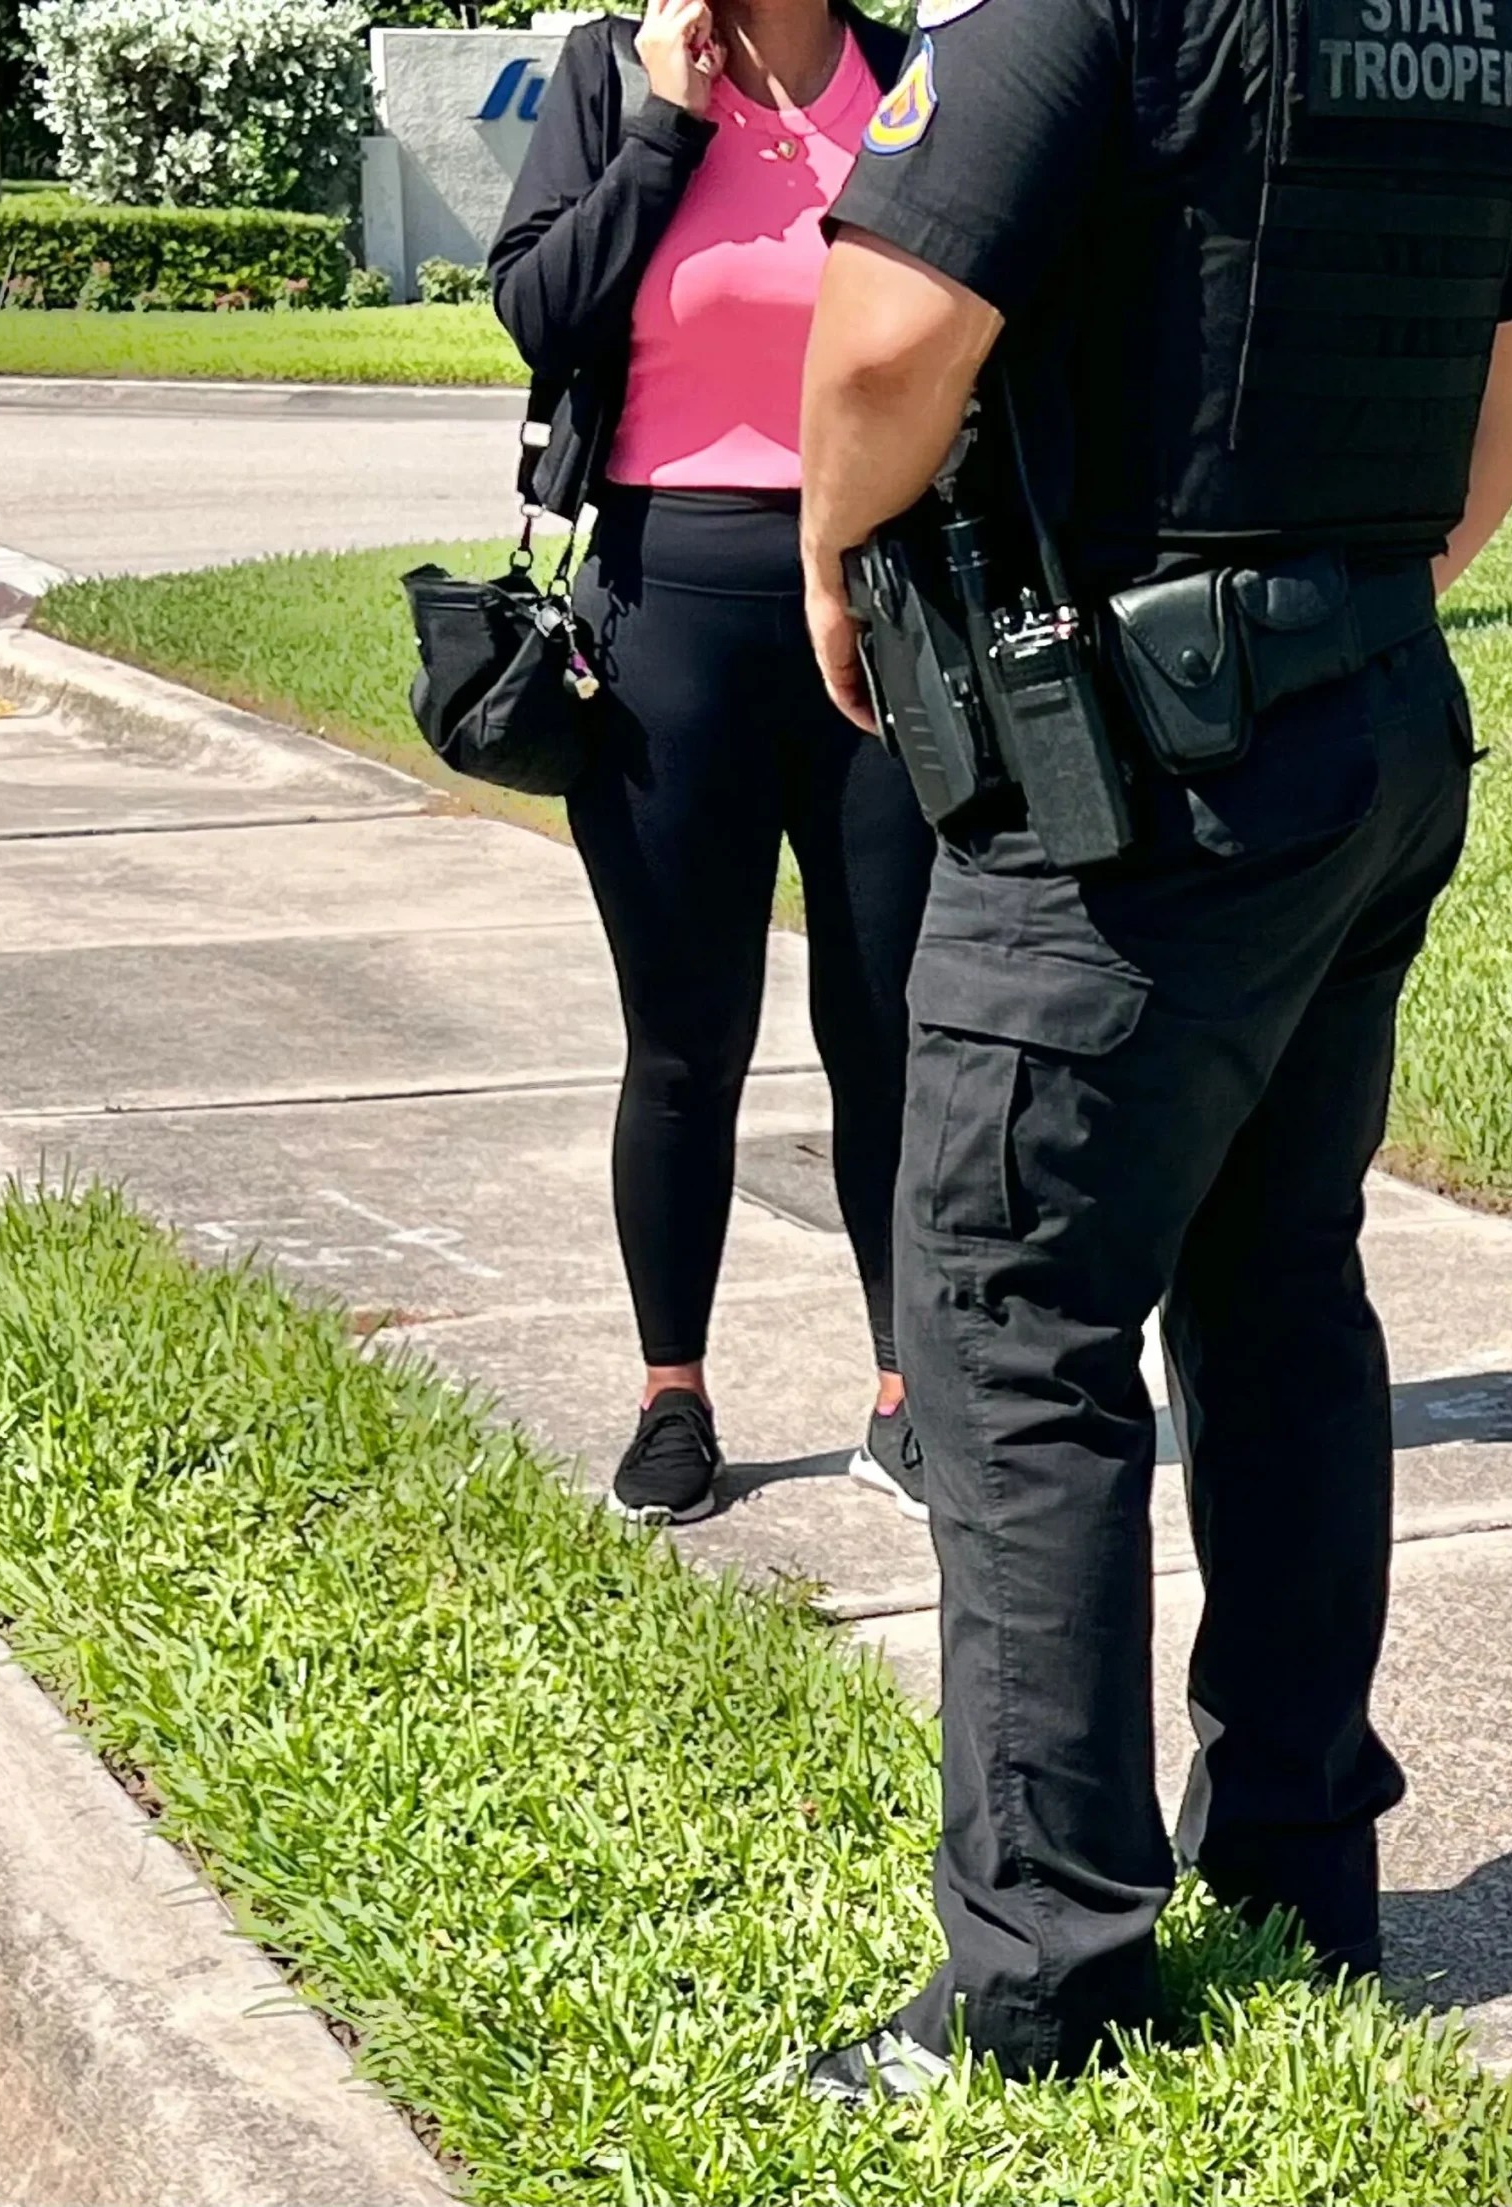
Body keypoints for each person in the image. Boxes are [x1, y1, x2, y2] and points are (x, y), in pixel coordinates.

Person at [785, 0, 1512, 2093]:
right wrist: (1368, 584)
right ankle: (1300, 1869)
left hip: (1140, 780)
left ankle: (1042, 1976)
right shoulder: (1482, 10)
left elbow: (883, 345)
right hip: (1366, 716)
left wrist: (832, 552)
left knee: (1011, 1329)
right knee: (1279, 1290)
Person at [490, 0, 935, 1529]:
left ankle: (906, 1392)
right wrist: (667, 126)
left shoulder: (908, 76)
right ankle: (671, 1392)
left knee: (891, 1025)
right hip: (666, 611)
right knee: (686, 1039)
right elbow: (539, 311)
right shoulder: (615, 71)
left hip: (883, 613)